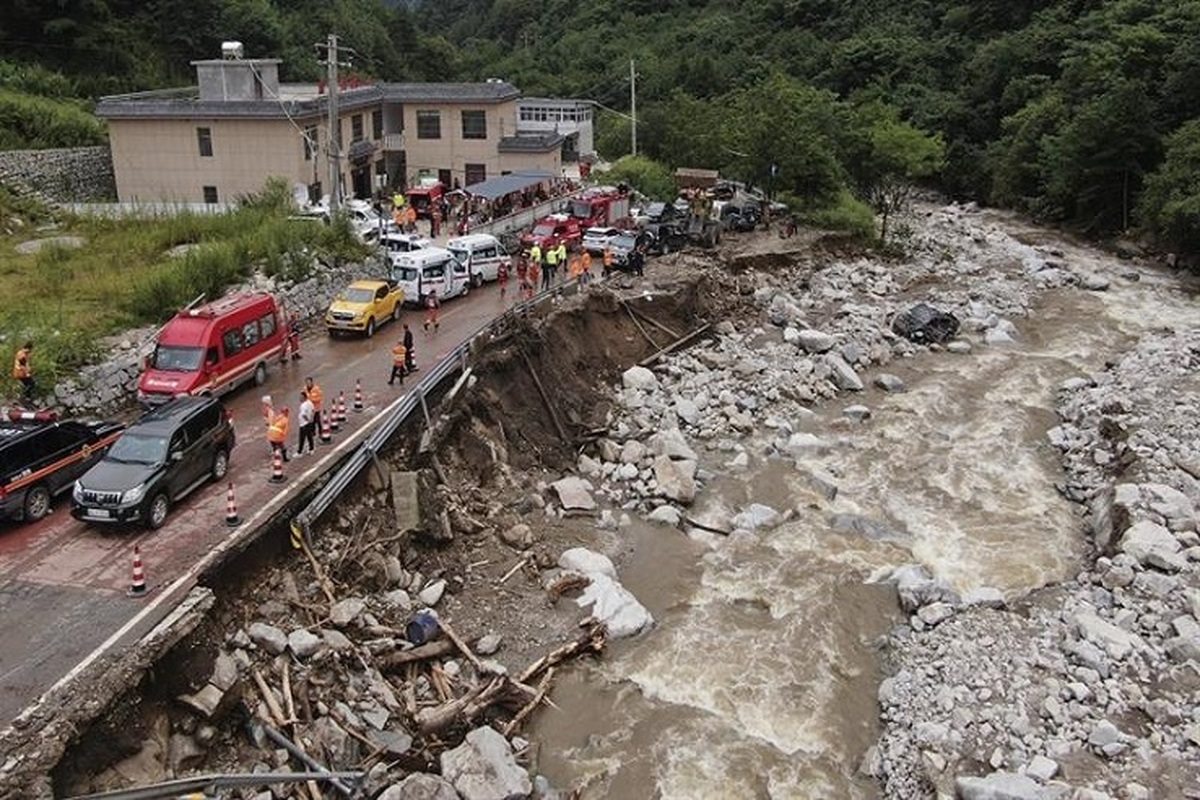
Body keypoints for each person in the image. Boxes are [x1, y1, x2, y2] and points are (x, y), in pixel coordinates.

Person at [296, 391, 316, 456]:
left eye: (301, 397)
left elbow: (303, 415)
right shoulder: (310, 402)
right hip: (308, 423)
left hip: (304, 424)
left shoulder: (303, 405)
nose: (299, 398)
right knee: (309, 436)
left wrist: (308, 420)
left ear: (304, 398)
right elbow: (313, 410)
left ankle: (299, 452)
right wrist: (312, 418)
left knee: (302, 438)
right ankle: (311, 449)